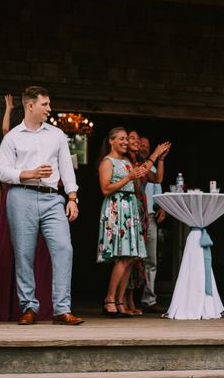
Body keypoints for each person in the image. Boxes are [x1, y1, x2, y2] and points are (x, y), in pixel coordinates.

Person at [0, 86, 83, 325]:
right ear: (30, 105)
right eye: (45, 104)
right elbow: (2, 171)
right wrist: (28, 173)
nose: (49, 108)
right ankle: (29, 307)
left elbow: (66, 167)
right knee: (24, 253)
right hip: (20, 197)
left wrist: (73, 198)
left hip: (52, 198)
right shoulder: (12, 137)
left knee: (64, 248)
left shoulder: (56, 135)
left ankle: (62, 309)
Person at [0, 94, 53, 322]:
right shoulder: (12, 141)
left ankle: (33, 304)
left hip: (40, 198)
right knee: (11, 250)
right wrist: (8, 108)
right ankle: (12, 305)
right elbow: (6, 131)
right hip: (13, 198)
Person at [97, 127, 148, 317]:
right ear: (111, 141)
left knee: (130, 257)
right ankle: (109, 298)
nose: (125, 142)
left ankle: (119, 301)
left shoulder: (126, 161)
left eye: (127, 139)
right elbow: (105, 188)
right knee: (122, 256)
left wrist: (136, 175)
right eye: (121, 139)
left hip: (130, 207)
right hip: (116, 208)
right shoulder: (107, 162)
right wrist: (128, 176)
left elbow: (132, 185)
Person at [139, 136, 168, 314]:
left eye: (147, 146)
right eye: (141, 145)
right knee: (130, 260)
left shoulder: (153, 168)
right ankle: (127, 299)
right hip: (135, 216)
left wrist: (162, 208)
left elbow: (158, 185)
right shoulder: (134, 165)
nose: (144, 148)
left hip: (149, 217)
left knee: (151, 260)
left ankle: (149, 299)